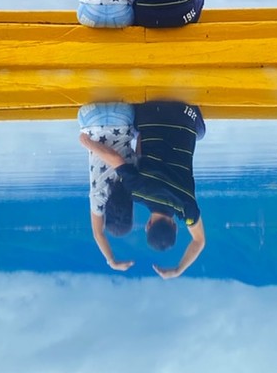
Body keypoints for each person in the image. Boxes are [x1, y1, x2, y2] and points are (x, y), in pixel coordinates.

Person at [80, 100, 206, 279]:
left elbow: (199, 241)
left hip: (185, 113)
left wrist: (179, 269)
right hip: (150, 111)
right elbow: (117, 159)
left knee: (200, 133)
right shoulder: (136, 191)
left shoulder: (187, 207)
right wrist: (87, 143)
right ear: (148, 225)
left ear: (175, 227)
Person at [77, 102, 138, 270]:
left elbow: (140, 143)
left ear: (131, 212)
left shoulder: (136, 187)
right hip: (90, 117)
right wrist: (111, 260)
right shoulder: (98, 199)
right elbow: (98, 233)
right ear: (107, 216)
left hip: (122, 114)